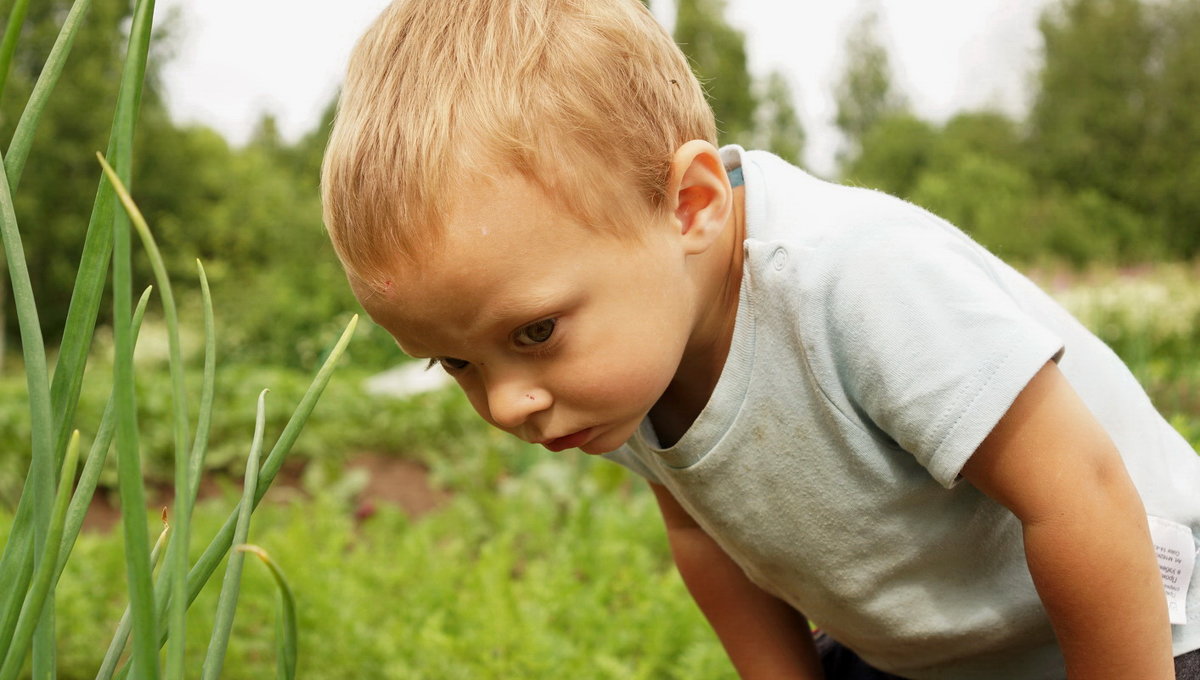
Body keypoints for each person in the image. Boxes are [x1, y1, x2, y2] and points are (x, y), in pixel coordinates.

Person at [319, 0, 1200, 677]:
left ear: (690, 204)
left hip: (1146, 621)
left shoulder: (856, 280)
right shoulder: (621, 361)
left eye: (535, 332)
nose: (510, 403)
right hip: (938, 653)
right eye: (457, 363)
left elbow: (1082, 495)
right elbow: (706, 531)